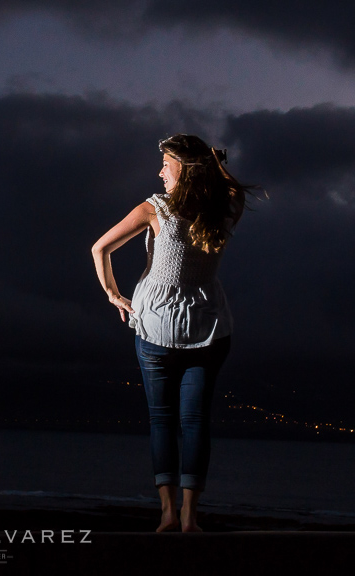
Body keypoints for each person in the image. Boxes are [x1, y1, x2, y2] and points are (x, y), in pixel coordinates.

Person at [91, 134, 253, 533]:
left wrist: (114, 295)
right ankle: (189, 517)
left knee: (163, 421)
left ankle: (166, 513)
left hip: (155, 326)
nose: (160, 171)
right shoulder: (228, 206)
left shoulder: (156, 208)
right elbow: (228, 184)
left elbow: (100, 249)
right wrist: (209, 163)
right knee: (195, 421)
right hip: (208, 327)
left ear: (185, 169)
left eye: (167, 163)